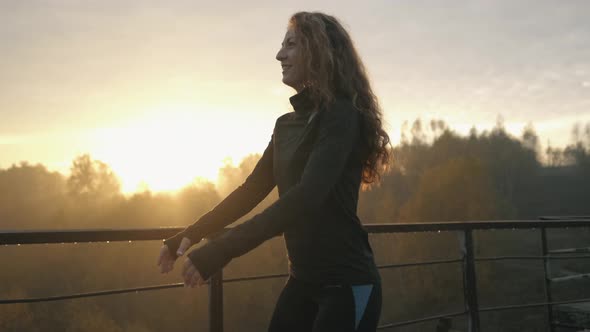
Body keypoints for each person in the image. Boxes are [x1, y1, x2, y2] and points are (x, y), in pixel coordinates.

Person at [157, 11, 391, 332]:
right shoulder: (286, 125)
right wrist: (190, 234)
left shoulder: (341, 116)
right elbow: (251, 191)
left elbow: (305, 197)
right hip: (302, 281)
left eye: (291, 44)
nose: (279, 54)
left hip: (348, 285)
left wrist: (222, 250)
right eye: (282, 45)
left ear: (317, 51)